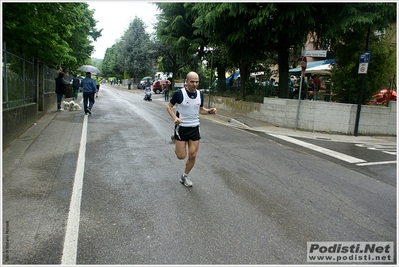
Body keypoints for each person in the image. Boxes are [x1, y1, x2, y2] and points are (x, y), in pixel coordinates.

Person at [166, 71, 217, 187]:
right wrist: (175, 118)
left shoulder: (200, 94)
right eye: (192, 81)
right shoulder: (179, 94)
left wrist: (209, 111)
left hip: (195, 127)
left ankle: (185, 176)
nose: (195, 84)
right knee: (181, 156)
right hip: (181, 128)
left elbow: (201, 109)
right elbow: (169, 107)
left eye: (197, 82)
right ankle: (177, 142)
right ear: (186, 82)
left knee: (193, 155)